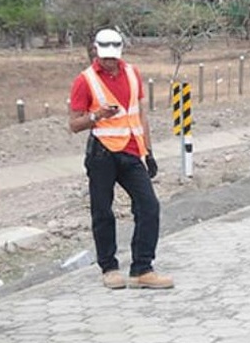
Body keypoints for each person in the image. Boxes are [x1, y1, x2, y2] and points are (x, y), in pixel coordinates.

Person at [69, 28, 173, 290]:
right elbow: (74, 124)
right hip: (101, 155)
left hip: (131, 152)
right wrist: (97, 115)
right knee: (103, 212)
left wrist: (148, 151)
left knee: (149, 206)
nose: (110, 61)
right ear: (95, 51)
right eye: (105, 57)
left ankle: (142, 268)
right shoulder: (85, 80)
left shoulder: (132, 73)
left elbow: (141, 115)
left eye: (113, 56)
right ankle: (109, 268)